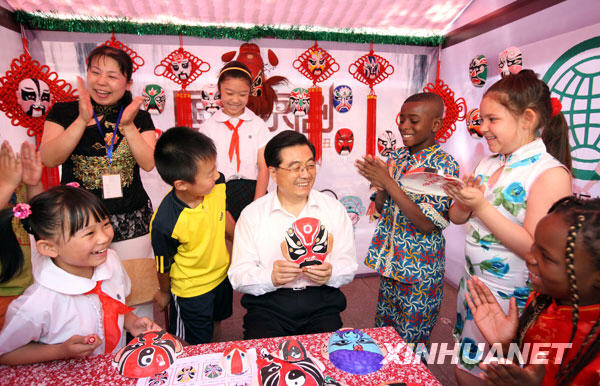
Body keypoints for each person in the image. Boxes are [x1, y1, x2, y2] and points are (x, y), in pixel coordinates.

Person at [444, 69, 573, 383]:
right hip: (473, 289)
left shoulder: (549, 174)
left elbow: (535, 248)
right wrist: (462, 201)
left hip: (511, 302)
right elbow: (457, 218)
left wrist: (481, 206)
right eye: (481, 119)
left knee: (494, 376)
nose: (482, 128)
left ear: (527, 118)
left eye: (492, 120)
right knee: (464, 368)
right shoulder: (490, 163)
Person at [39, 45, 158, 320]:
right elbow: (49, 157)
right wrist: (81, 120)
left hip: (131, 217)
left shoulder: (137, 115)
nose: (101, 81)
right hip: (80, 222)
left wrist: (128, 126)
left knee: (136, 292)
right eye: (95, 72)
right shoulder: (65, 111)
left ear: (127, 82)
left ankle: (139, 351)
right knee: (83, 293)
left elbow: (148, 162)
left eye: (112, 75)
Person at [0, 186, 160, 365]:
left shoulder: (111, 262)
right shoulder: (37, 303)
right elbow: (6, 354)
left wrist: (131, 322)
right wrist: (60, 351)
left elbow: (112, 306)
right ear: (49, 247)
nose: (104, 238)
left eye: (106, 224)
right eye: (89, 233)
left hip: (111, 368)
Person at [228, 130, 358, 339]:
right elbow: (238, 276)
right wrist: (270, 277)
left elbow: (349, 265)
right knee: (267, 365)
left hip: (321, 305)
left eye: (309, 165)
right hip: (268, 307)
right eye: (295, 168)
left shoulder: (333, 209)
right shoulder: (252, 214)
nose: (305, 175)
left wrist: (330, 273)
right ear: (273, 172)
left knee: (328, 363)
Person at [355, 92, 460, 345]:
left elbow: (426, 223)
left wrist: (389, 182)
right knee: (384, 338)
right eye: (402, 119)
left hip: (420, 273)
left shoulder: (444, 166)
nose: (403, 126)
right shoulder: (397, 157)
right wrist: (379, 184)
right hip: (392, 265)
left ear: (435, 125)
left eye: (413, 120)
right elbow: (382, 206)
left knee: (411, 344)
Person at [465, 196, 599, 386]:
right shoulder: (541, 302)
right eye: (535, 245)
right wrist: (505, 347)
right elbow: (524, 365)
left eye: (546, 257)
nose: (529, 257)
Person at [151, 127, 235, 345]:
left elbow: (221, 213)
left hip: (221, 277)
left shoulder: (217, 184)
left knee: (217, 324)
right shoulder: (165, 222)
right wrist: (164, 293)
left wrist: (240, 240)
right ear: (181, 184)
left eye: (215, 168)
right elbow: (163, 264)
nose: (217, 176)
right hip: (192, 291)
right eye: (209, 174)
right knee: (195, 342)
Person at [199, 61, 270, 222]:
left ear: (249, 92)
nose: (235, 100)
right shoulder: (208, 128)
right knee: (226, 241)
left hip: (253, 191)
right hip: (219, 191)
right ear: (219, 90)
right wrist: (216, 203)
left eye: (243, 94)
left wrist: (256, 204)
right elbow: (204, 168)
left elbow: (264, 168)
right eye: (229, 93)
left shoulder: (258, 125)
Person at [0, 140, 43, 329]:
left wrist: (33, 185)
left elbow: (42, 223)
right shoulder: (7, 180)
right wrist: (7, 184)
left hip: (28, 292)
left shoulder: (9, 175)